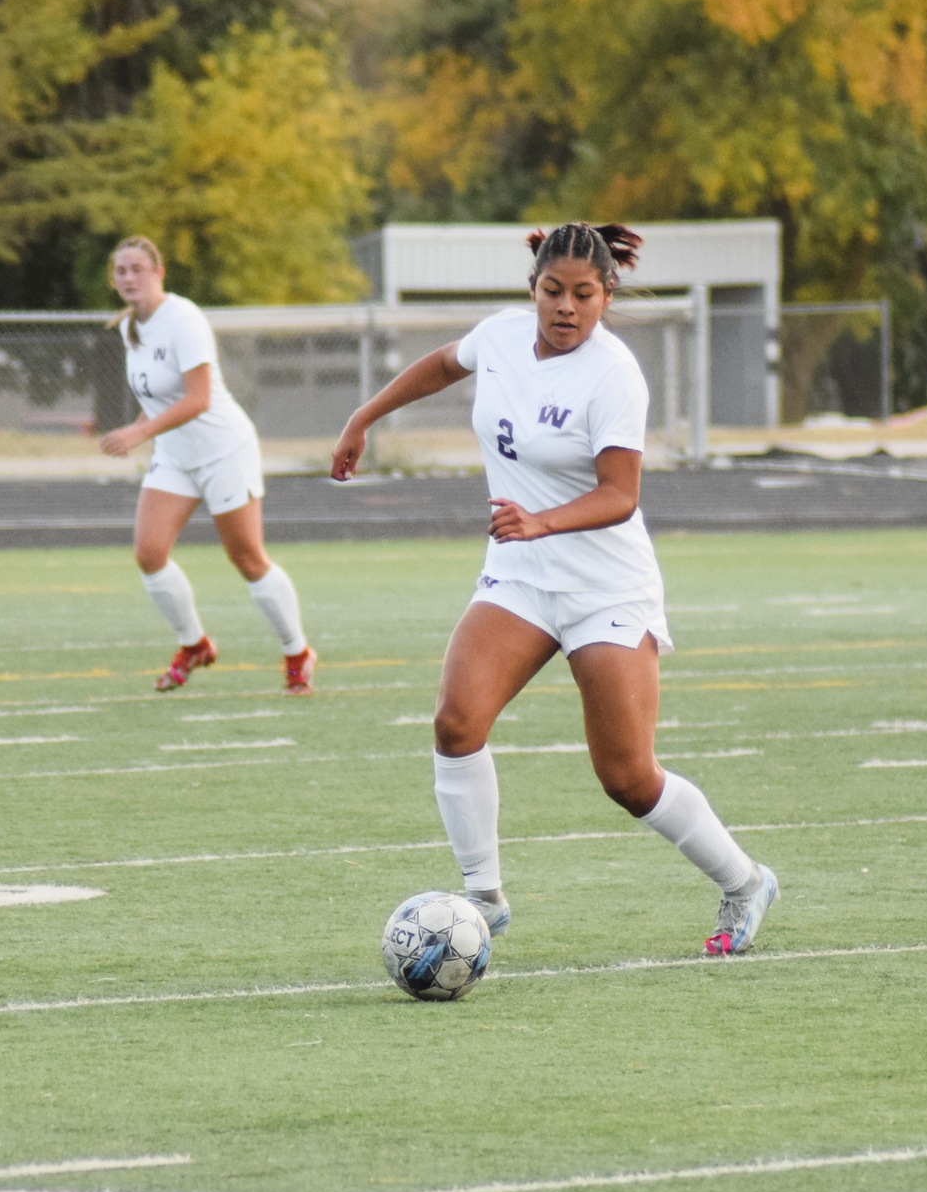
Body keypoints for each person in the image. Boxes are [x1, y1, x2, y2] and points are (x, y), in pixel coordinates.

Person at [329, 222, 776, 956]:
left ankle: (744, 880)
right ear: (531, 289)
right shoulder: (502, 336)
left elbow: (619, 494)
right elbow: (444, 364)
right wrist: (364, 415)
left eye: (583, 294)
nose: (565, 307)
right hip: (521, 575)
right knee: (455, 722)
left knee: (627, 778)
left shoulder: (612, 374)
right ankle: (483, 899)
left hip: (604, 585)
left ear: (606, 295)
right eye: (551, 291)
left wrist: (541, 521)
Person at [99, 235, 315, 694]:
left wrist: (138, 434)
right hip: (176, 455)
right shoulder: (128, 328)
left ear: (159, 273)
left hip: (223, 451)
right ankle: (194, 645)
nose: (129, 277)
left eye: (138, 268)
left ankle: (297, 652)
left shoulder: (183, 318)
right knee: (149, 553)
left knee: (248, 559)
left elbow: (198, 399)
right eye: (121, 271)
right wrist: (142, 427)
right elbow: (157, 396)